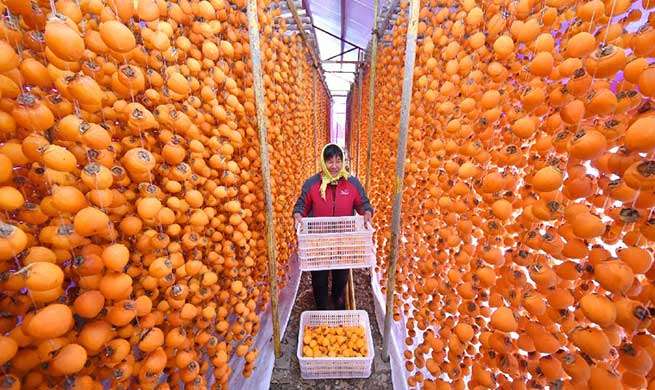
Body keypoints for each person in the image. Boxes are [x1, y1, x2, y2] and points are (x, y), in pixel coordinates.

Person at [293, 143, 374, 310]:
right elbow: (301, 205)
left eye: (338, 161)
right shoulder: (312, 184)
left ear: (343, 161)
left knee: (341, 274)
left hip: (343, 240)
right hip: (319, 239)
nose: (335, 166)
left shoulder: (351, 183)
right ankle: (322, 306)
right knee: (319, 277)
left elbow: (363, 204)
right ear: (323, 163)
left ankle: (338, 301)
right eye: (330, 162)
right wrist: (298, 215)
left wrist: (367, 212)